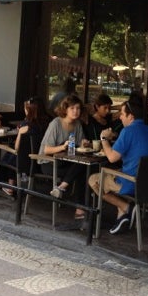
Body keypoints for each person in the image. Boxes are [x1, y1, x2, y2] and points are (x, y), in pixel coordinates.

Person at [87, 97, 148, 235]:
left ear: (130, 116)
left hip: (132, 182)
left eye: (122, 114)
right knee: (114, 172)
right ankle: (121, 218)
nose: (120, 117)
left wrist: (104, 139)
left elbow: (111, 158)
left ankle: (126, 207)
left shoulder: (128, 131)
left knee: (94, 180)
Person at [38, 93, 89, 221]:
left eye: (78, 108)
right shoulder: (56, 123)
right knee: (81, 169)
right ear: (65, 109)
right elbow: (46, 150)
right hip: (49, 163)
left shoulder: (77, 124)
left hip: (67, 162)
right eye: (72, 108)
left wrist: (84, 143)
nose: (76, 111)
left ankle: (61, 188)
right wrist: (62, 147)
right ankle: (79, 208)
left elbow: (79, 145)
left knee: (84, 168)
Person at [0, 96, 51, 197]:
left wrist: (19, 133)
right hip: (42, 162)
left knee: (12, 153)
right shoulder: (49, 123)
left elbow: (17, 148)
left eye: (26, 108)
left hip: (24, 163)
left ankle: (9, 186)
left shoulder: (26, 125)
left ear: (29, 110)